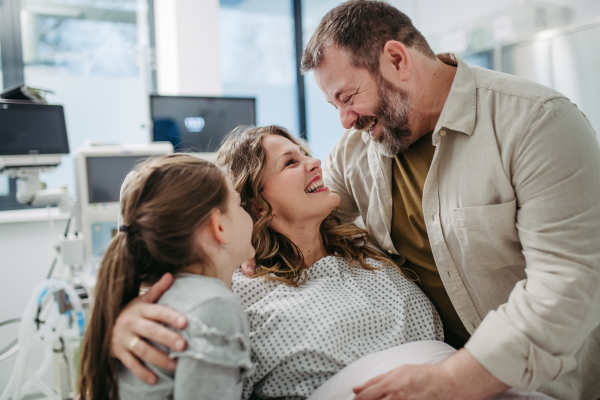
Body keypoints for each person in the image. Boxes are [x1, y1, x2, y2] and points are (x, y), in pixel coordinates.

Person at [297, 1, 600, 399]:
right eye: (333, 106)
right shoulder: (355, 151)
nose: (345, 120)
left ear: (396, 60)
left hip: (554, 385)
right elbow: (299, 216)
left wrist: (453, 380)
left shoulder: (536, 121)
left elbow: (568, 284)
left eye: (348, 96)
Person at [78, 155, 255, 399]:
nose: (252, 216)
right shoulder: (214, 306)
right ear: (219, 228)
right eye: (240, 206)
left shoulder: (176, 300)